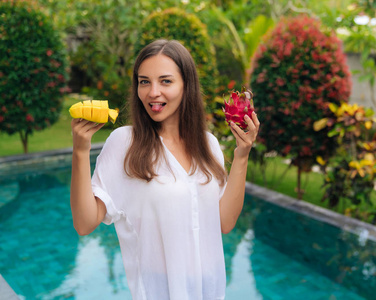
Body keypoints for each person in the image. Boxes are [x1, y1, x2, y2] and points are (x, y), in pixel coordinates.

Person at [70, 39, 260, 300]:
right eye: (144, 81)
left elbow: (225, 222)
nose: (152, 92)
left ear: (186, 86)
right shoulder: (125, 143)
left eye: (166, 81)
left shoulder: (209, 145)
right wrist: (80, 152)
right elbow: (84, 223)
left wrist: (242, 155)